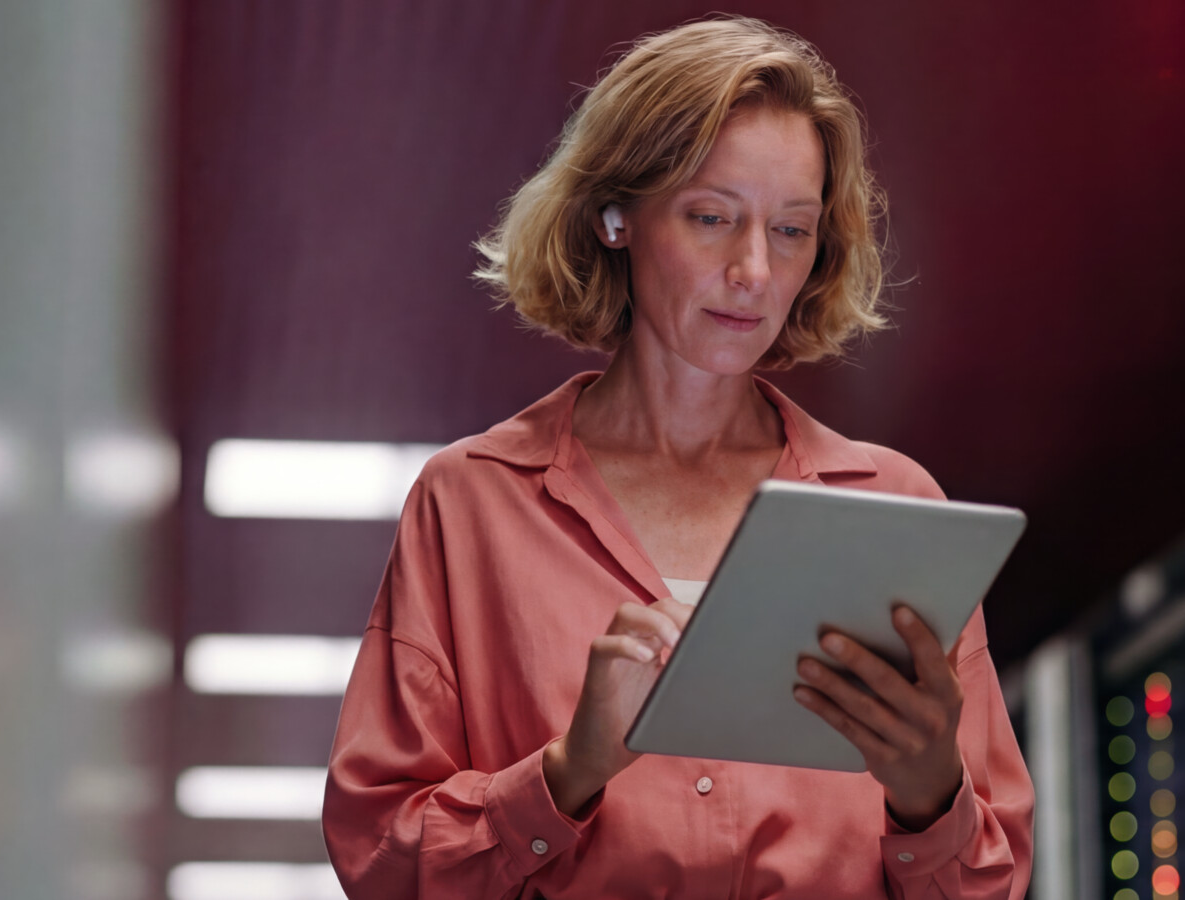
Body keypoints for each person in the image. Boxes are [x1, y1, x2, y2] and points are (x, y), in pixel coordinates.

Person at [323, 16, 1033, 899]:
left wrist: (931, 795)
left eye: (791, 231)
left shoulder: (894, 502)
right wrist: (569, 771)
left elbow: (989, 883)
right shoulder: (471, 504)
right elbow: (382, 863)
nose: (754, 271)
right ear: (615, 216)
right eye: (711, 218)